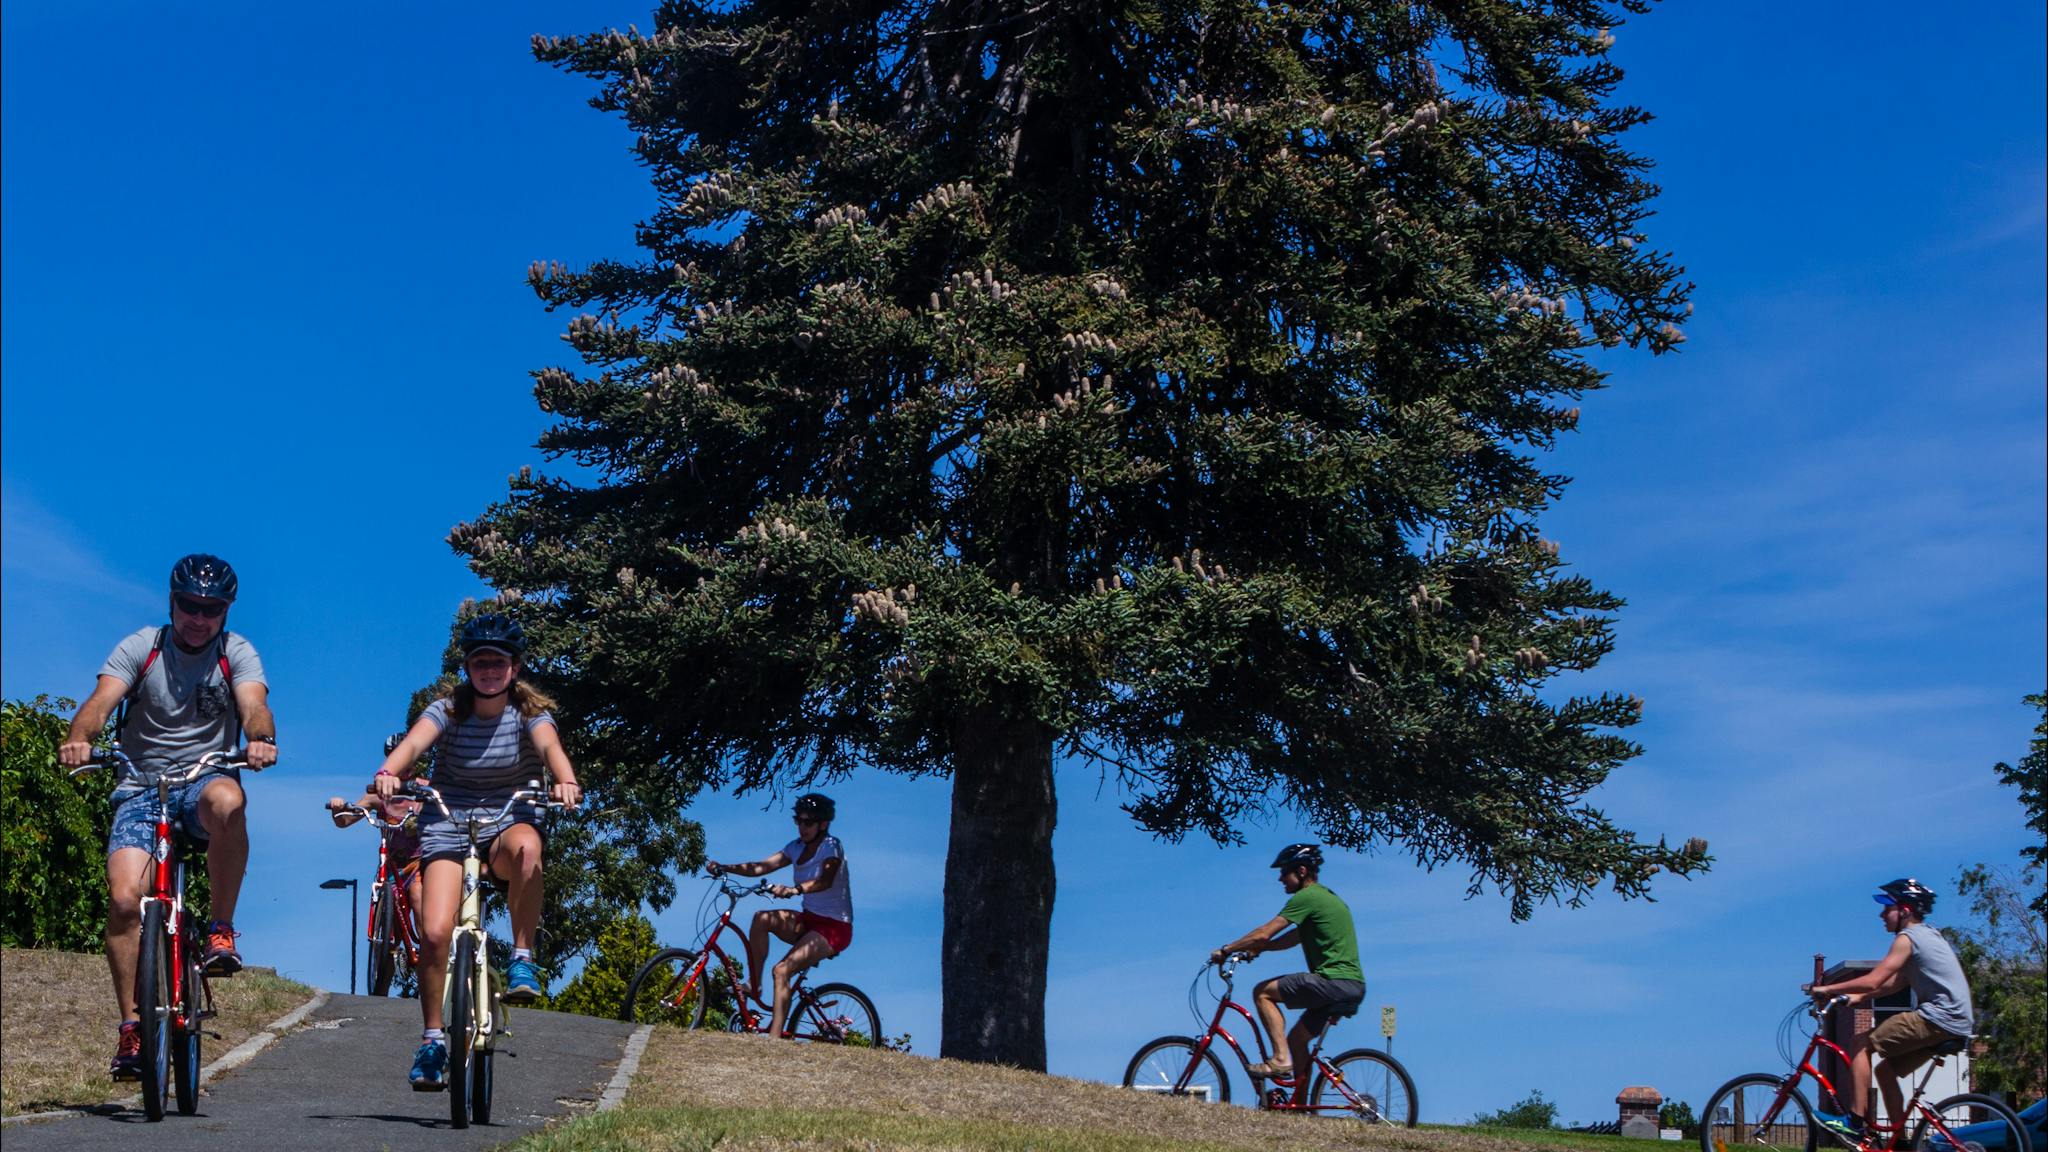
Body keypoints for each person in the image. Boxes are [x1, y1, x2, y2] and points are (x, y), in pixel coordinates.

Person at [56, 553, 277, 1081]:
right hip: (140, 785)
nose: (199, 618)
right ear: (172, 603)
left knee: (230, 801)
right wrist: (79, 737)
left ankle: (221, 929)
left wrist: (260, 739)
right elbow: (101, 700)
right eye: (189, 606)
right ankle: (132, 1027)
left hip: (205, 778)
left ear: (225, 611)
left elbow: (254, 705)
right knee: (123, 900)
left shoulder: (235, 653)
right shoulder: (142, 647)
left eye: (211, 609)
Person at [371, 613, 581, 1090]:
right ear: (467, 667)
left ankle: (523, 956)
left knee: (528, 849)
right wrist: (389, 772)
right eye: (480, 662)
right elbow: (412, 745)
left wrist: (566, 781)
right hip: (449, 820)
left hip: (510, 818)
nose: (489, 671)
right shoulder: (447, 710)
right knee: (435, 931)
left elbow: (551, 749)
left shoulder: (530, 715)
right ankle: (430, 1042)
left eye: (498, 663)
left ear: (516, 667)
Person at [1806, 878, 1975, 1142]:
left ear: (1905, 910)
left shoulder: (1908, 939)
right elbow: (1892, 985)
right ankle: (1899, 1143)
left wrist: (1828, 989)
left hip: (1938, 1017)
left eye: (1888, 907)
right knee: (1884, 1070)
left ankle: (1855, 1122)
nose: (1881, 914)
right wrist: (1858, 996)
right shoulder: (1928, 936)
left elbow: (1875, 978)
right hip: (1954, 1023)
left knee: (1860, 1043)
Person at [1209, 843, 1364, 1104]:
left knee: (1262, 992)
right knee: (1297, 1039)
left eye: (1284, 872)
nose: (1280, 878)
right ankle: (1301, 1107)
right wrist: (1261, 949)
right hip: (1352, 986)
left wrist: (1226, 950)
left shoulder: (1307, 897)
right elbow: (1292, 938)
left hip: (1332, 982)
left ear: (1301, 871)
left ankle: (1280, 1060)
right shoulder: (1328, 899)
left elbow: (1264, 932)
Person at [703, 792, 853, 1038]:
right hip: (809, 920)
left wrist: (796, 889)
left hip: (834, 927)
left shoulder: (831, 846)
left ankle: (773, 1040)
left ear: (823, 824)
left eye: (808, 822)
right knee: (761, 918)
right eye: (799, 821)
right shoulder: (795, 848)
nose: (802, 827)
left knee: (782, 970)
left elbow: (825, 880)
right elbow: (761, 867)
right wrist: (724, 867)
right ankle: (755, 985)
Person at [327, 736, 426, 964]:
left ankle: (428, 949)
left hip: (418, 863)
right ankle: (384, 958)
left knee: (419, 896)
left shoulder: (423, 789)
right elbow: (344, 821)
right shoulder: (378, 795)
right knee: (391, 924)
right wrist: (338, 807)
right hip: (392, 865)